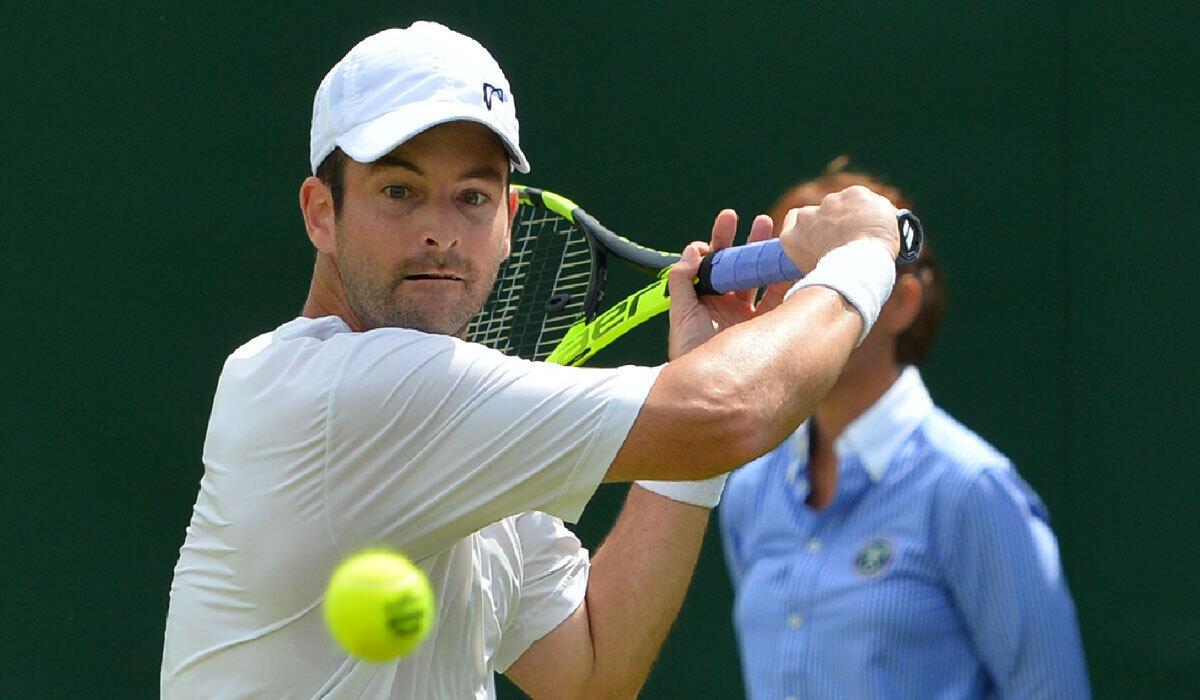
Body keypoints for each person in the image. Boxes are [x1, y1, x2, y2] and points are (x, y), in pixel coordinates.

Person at [160, 23, 905, 699]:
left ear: (511, 221)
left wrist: (698, 401)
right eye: (399, 190)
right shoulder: (336, 391)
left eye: (473, 198)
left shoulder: (457, 434)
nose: (441, 233)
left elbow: (591, 671)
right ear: (321, 211)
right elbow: (726, 413)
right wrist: (862, 262)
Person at [719, 160, 1090, 699]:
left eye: (830, 275)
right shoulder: (751, 490)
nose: (801, 300)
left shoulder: (972, 490)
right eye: (788, 274)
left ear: (902, 303)